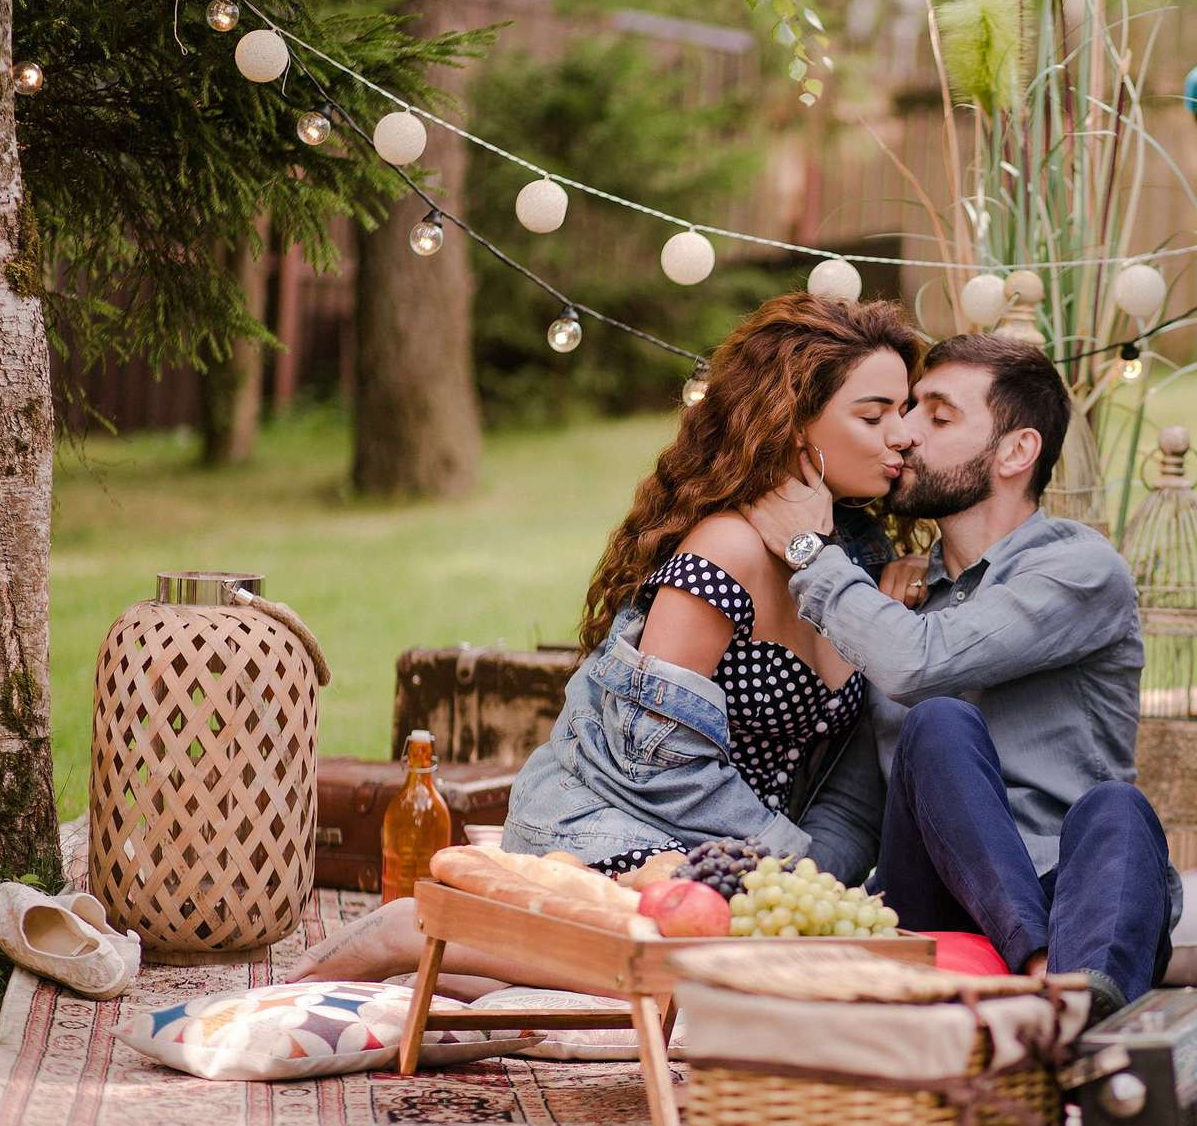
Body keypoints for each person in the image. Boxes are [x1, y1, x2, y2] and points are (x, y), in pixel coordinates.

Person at [290, 294, 922, 987]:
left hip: (729, 857)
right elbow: (654, 768)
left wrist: (807, 887)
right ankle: (412, 934)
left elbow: (851, 775)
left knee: (772, 971)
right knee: (700, 970)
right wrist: (780, 865)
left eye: (907, 411)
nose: (903, 434)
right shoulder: (725, 551)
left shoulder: (855, 560)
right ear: (795, 423)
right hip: (611, 827)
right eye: (874, 414)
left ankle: (490, 963)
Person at [742, 332, 1177, 1017]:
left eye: (937, 416)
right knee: (936, 725)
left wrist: (809, 551)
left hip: (1080, 907)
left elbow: (921, 662)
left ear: (1015, 451)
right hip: (940, 894)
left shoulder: (1080, 570)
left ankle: (1077, 996)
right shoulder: (897, 603)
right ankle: (1040, 981)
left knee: (1117, 809)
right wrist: (768, 902)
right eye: (907, 408)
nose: (905, 433)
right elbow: (859, 804)